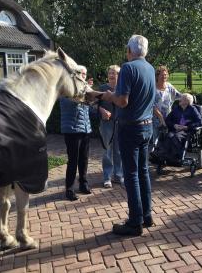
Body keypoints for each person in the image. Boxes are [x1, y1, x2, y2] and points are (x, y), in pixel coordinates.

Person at [101, 35, 155, 236]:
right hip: (147, 127)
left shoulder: (128, 68)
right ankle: (146, 215)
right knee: (143, 172)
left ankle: (134, 222)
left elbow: (122, 101)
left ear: (130, 50)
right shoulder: (150, 68)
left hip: (130, 127)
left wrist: (108, 96)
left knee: (131, 174)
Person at [60, 66, 93, 201]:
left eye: (85, 74)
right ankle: (69, 188)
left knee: (84, 159)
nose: (83, 76)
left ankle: (83, 184)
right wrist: (88, 93)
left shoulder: (85, 90)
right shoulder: (67, 89)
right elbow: (71, 102)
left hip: (85, 129)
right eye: (80, 74)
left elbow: (90, 105)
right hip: (72, 130)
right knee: (73, 160)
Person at [152, 93, 202, 163]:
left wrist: (187, 127)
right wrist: (174, 125)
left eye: (181, 99)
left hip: (186, 132)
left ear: (187, 101)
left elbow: (199, 122)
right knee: (168, 136)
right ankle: (160, 154)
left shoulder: (193, 110)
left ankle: (171, 156)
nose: (179, 100)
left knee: (175, 137)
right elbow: (168, 120)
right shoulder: (176, 109)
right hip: (175, 130)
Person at [98, 65, 123, 188]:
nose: (112, 75)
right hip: (106, 124)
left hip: (121, 124)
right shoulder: (102, 89)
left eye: (115, 73)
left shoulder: (123, 89)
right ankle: (107, 177)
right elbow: (93, 105)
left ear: (120, 75)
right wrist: (101, 110)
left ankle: (118, 175)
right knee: (107, 152)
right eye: (110, 73)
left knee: (119, 151)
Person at [152, 65, 181, 144]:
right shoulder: (152, 88)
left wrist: (189, 97)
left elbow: (179, 96)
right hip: (155, 119)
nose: (164, 77)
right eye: (162, 75)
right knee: (156, 142)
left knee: (168, 141)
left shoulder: (169, 86)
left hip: (168, 118)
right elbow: (151, 105)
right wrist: (160, 117)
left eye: (166, 75)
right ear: (157, 76)